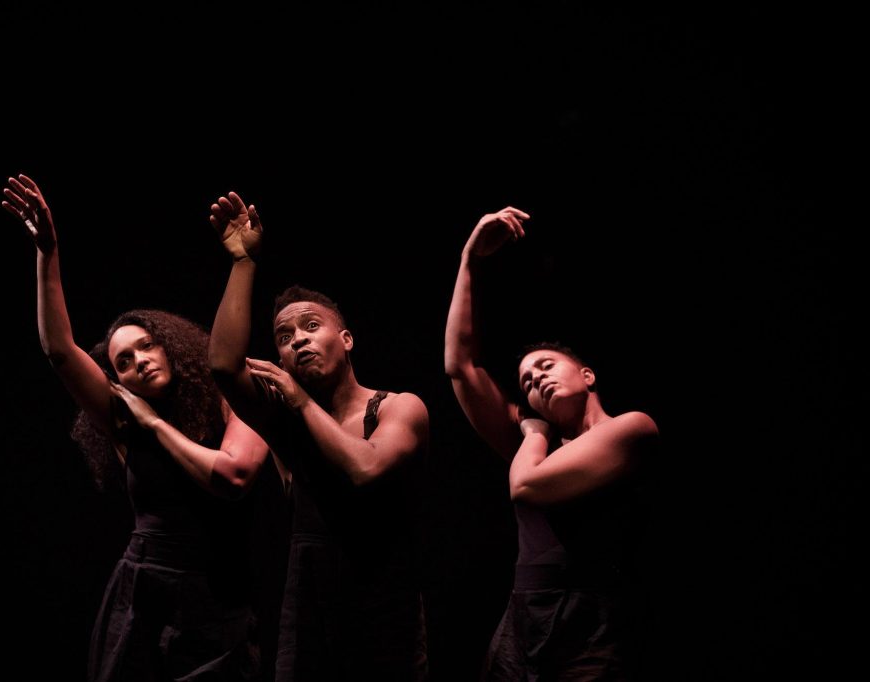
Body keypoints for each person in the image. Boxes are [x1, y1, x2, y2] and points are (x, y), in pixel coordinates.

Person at [2, 174, 270, 682]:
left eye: (147, 345)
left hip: (217, 600)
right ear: (119, 380)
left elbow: (233, 477)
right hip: (143, 595)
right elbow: (60, 351)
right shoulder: (125, 420)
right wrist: (47, 252)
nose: (140, 360)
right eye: (123, 361)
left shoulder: (229, 402)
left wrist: (155, 425)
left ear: (172, 348)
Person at [207, 191, 430, 682]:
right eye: (285, 337)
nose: (299, 339)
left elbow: (365, 467)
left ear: (346, 339)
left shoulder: (398, 406)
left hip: (382, 604)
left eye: (311, 326)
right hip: (308, 602)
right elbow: (222, 364)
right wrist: (243, 263)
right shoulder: (285, 418)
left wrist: (301, 402)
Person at [444, 206, 659, 680]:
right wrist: (469, 260)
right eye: (526, 381)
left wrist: (535, 432)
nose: (536, 379)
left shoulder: (632, 428)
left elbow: (526, 486)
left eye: (546, 366)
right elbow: (461, 366)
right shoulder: (533, 444)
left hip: (593, 620)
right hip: (522, 618)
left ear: (587, 375)